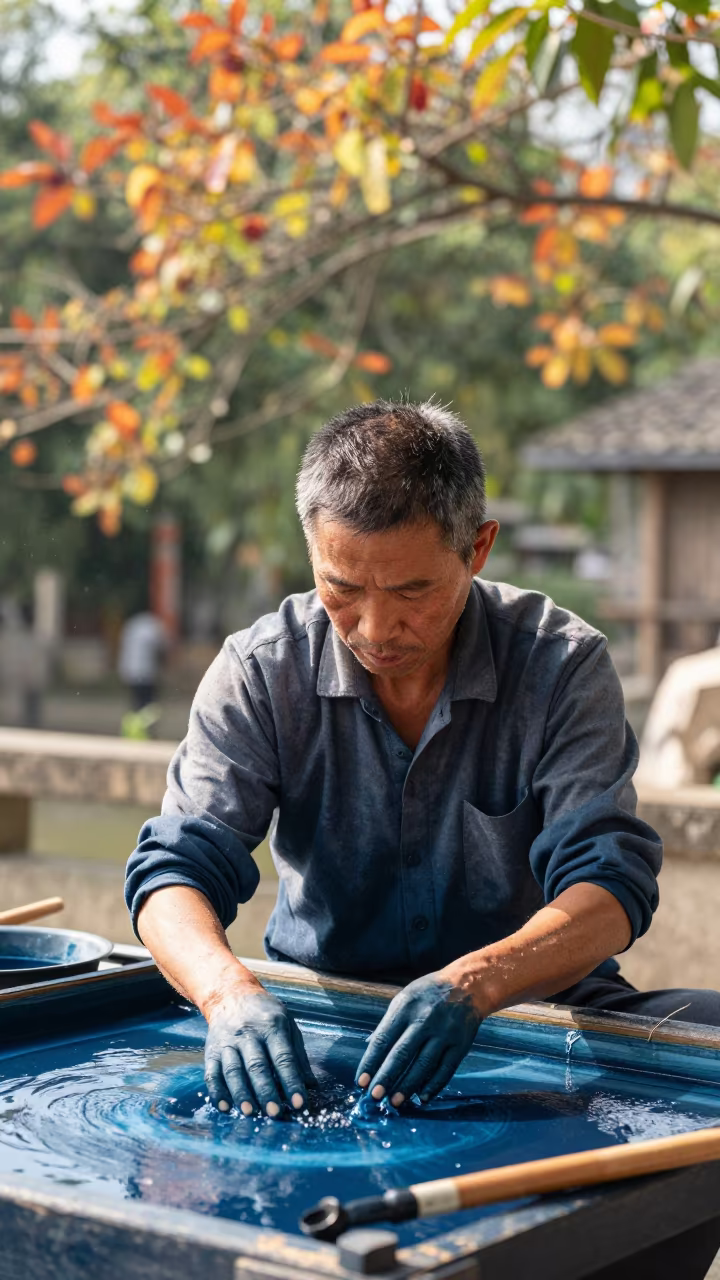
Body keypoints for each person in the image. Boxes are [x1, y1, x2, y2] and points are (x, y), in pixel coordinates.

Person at [125, 399, 720, 1124]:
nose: (376, 629)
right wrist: (227, 994)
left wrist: (477, 981)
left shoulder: (562, 666)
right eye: (343, 589)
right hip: (326, 1013)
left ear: (478, 548)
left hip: (538, 1009)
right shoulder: (261, 671)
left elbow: (611, 887)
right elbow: (174, 871)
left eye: (412, 591)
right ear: (312, 552)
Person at [117, 610, 167, 712]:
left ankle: (137, 717)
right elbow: (161, 645)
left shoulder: (132, 624)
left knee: (137, 700)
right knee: (148, 702)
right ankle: (144, 718)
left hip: (131, 670)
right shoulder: (152, 626)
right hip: (145, 671)